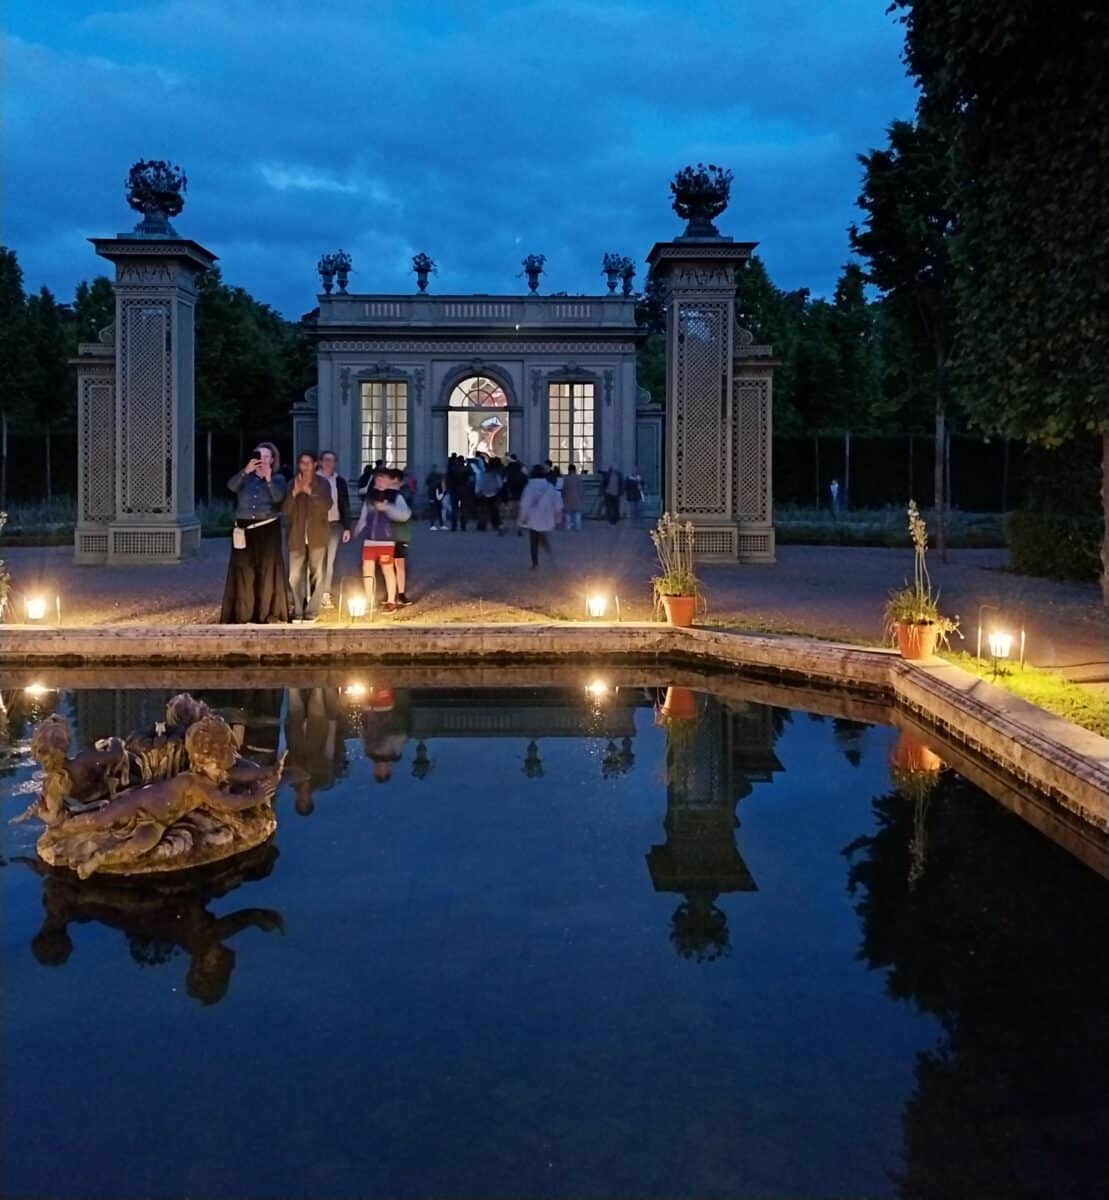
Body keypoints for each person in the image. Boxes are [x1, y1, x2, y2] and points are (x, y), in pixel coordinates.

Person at [221, 441, 288, 624]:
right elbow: (231, 487)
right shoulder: (246, 477)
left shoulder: (278, 478)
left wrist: (268, 479)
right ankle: (244, 614)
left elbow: (278, 498)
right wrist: (245, 471)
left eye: (267, 456)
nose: (263, 460)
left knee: (266, 572)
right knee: (244, 571)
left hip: (266, 527)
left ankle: (265, 613)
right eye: (260, 455)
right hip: (244, 528)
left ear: (273, 459)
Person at [283, 450, 332, 624]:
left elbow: (327, 505)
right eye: (302, 463)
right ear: (299, 465)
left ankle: (312, 611)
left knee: (317, 574)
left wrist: (310, 492)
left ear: (315, 464)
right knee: (294, 576)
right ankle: (298, 610)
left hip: (317, 536)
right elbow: (285, 511)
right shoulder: (291, 483)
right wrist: (295, 493)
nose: (305, 466)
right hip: (296, 536)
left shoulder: (323, 483)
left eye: (308, 463)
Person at [353, 468, 410, 614]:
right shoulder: (370, 497)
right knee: (367, 569)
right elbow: (364, 516)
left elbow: (404, 515)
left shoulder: (395, 496)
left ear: (389, 481)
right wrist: (357, 530)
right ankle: (369, 599)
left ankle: (391, 601)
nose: (379, 482)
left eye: (383, 479)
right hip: (370, 540)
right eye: (377, 479)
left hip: (386, 539)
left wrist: (387, 508)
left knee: (387, 569)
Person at [316, 450, 352, 611]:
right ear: (320, 462)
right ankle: (313, 593)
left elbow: (345, 504)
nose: (329, 463)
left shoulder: (340, 481)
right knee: (316, 560)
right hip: (316, 525)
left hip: (335, 524)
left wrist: (347, 527)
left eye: (332, 460)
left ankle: (325, 594)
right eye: (326, 460)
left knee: (329, 562)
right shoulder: (313, 479)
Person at [518, 463, 564, 569]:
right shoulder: (549, 486)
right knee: (542, 535)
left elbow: (525, 504)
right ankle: (549, 554)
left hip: (533, 517)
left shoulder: (529, 487)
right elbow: (558, 503)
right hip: (546, 516)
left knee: (533, 540)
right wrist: (558, 516)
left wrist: (521, 518)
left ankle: (535, 563)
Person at [385, 467, 415, 605]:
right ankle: (398, 593)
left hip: (396, 534)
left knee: (395, 565)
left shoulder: (398, 496)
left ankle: (398, 593)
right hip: (397, 534)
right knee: (396, 565)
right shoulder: (400, 495)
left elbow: (404, 515)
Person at [476, 456, 504, 534]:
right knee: (494, 510)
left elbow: (479, 484)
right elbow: (500, 485)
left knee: (483, 510)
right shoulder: (496, 474)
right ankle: (496, 524)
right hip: (493, 494)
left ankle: (482, 525)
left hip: (483, 494)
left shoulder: (483, 474)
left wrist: (478, 491)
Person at [505, 454, 527, 534]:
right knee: (519, 512)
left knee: (509, 512)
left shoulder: (508, 468)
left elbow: (506, 480)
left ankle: (504, 527)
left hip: (512, 492)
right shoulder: (522, 467)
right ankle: (519, 528)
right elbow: (526, 478)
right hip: (521, 492)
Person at [562, 463, 585, 531]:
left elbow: (564, 489)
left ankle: (568, 526)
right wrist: (581, 497)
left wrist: (563, 496)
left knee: (568, 514)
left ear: (569, 470)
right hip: (577, 498)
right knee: (577, 513)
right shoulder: (578, 478)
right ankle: (578, 527)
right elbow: (581, 489)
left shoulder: (566, 479)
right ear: (575, 470)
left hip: (568, 498)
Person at [425, 465, 444, 530]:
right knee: (434, 510)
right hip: (433, 494)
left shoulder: (438, 476)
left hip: (436, 494)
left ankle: (441, 525)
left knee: (438, 510)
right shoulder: (433, 476)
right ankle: (433, 525)